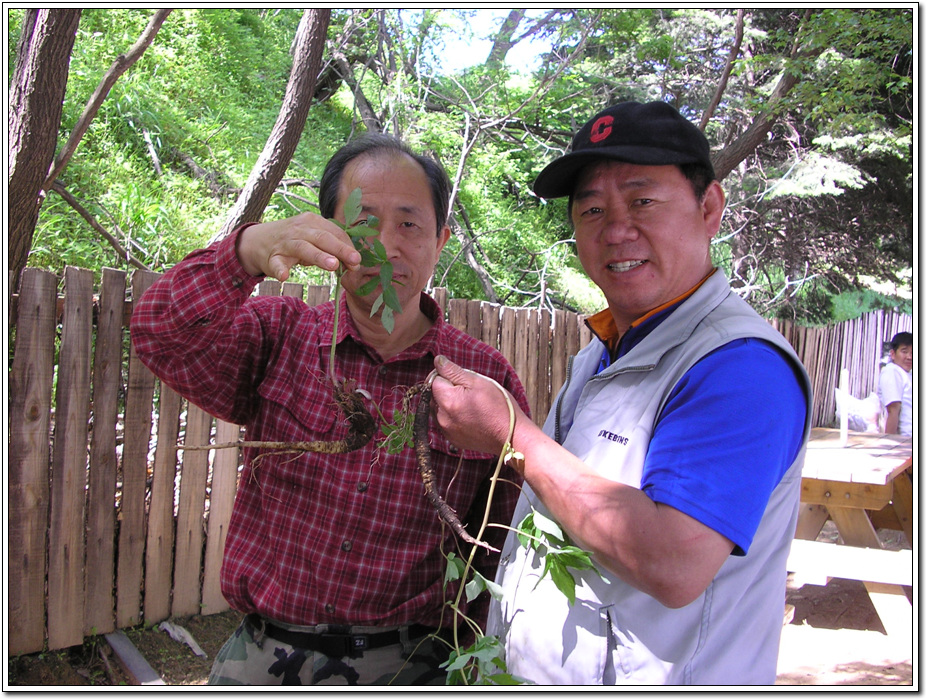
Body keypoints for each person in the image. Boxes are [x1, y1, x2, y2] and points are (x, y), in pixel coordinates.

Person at [430, 101, 813, 685]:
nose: (615, 229)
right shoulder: (605, 350)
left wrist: (513, 434)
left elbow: (675, 561)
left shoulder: (740, 368)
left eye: (642, 200)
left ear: (709, 208)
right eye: (592, 209)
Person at [131, 134, 529, 685]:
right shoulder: (279, 336)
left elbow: (502, 539)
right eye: (362, 224)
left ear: (440, 241)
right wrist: (246, 250)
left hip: (411, 669)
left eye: (409, 225)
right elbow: (159, 333)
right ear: (326, 234)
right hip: (262, 661)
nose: (385, 248)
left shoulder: (484, 381)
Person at [878, 331, 913, 435]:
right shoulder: (892, 372)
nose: (909, 357)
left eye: (913, 353)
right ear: (893, 354)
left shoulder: (907, 374)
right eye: (904, 351)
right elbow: (893, 411)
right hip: (907, 438)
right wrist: (891, 443)